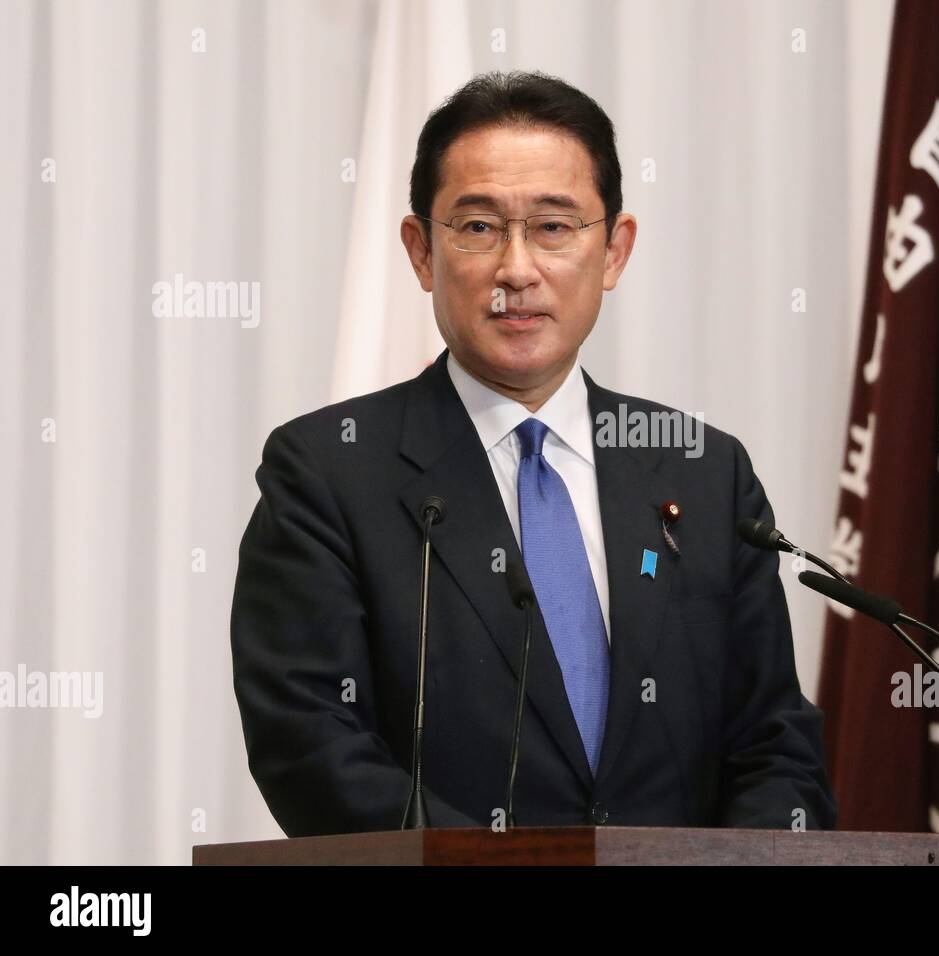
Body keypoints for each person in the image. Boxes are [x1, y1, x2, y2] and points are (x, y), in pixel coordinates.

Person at [230, 70, 836, 835]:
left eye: (554, 227)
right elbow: (312, 751)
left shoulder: (704, 473)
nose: (517, 270)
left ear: (614, 251)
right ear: (421, 252)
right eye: (478, 227)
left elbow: (774, 746)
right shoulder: (327, 474)